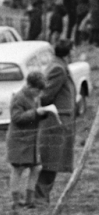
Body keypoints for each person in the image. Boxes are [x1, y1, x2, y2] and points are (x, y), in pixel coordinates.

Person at [34, 39, 77, 205]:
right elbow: (45, 95)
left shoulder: (58, 65)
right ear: (68, 52)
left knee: (54, 160)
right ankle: (40, 197)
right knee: (51, 160)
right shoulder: (58, 68)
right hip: (56, 121)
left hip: (60, 119)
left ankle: (42, 196)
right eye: (72, 50)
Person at [6, 71, 49, 210]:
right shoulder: (19, 97)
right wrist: (36, 113)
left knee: (36, 167)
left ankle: (30, 200)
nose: (39, 93)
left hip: (31, 139)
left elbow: (35, 114)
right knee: (17, 169)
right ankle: (16, 201)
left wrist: (44, 113)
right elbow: (17, 118)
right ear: (30, 86)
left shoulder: (34, 97)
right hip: (19, 140)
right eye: (37, 90)